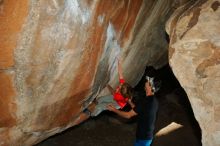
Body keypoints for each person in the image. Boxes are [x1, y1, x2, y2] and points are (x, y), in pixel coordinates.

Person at [73, 59, 134, 125]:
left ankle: (91, 113)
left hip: (117, 104)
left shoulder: (121, 96)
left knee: (100, 106)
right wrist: (119, 62)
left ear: (121, 94)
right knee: (101, 99)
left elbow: (113, 93)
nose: (117, 88)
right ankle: (92, 105)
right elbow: (120, 73)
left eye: (118, 90)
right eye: (119, 87)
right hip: (115, 98)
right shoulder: (123, 85)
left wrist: (108, 86)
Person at [107, 75, 160, 146]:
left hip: (143, 138)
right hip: (147, 136)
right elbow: (139, 109)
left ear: (150, 87)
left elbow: (128, 115)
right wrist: (129, 101)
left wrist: (114, 109)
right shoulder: (154, 100)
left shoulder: (145, 101)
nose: (146, 82)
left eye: (148, 82)